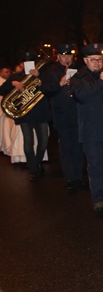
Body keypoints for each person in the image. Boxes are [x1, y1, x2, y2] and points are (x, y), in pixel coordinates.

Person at [70, 43, 103, 211]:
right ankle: (98, 198)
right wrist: (101, 82)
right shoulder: (78, 78)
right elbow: (82, 95)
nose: (97, 63)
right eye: (93, 60)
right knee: (95, 165)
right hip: (90, 129)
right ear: (85, 60)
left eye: (99, 60)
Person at [40, 43, 85, 191]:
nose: (67, 59)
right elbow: (45, 89)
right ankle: (69, 178)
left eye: (69, 55)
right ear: (58, 56)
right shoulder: (51, 71)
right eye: (64, 56)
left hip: (77, 113)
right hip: (61, 114)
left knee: (78, 147)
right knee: (66, 147)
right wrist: (59, 83)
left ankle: (78, 177)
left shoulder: (79, 70)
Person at [0, 51, 51, 181]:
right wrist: (13, 83)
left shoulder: (43, 75)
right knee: (28, 143)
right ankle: (33, 169)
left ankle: (37, 163)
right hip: (25, 115)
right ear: (22, 64)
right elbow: (1, 90)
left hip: (41, 113)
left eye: (30, 62)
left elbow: (52, 89)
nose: (27, 64)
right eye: (25, 62)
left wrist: (40, 78)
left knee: (43, 142)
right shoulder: (16, 76)